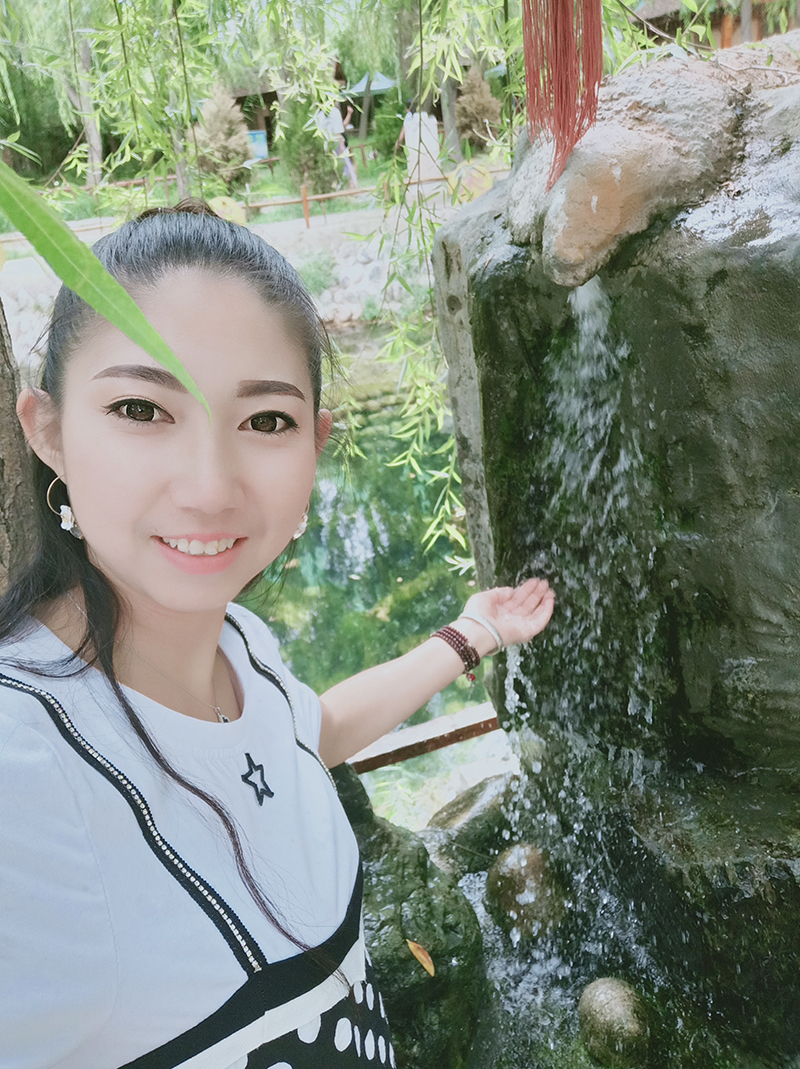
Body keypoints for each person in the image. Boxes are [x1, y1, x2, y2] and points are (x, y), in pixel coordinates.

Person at [0, 201, 554, 1068]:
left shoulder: (240, 645)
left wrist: (472, 631)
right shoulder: (25, 764)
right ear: (48, 431)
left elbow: (305, 736)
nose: (210, 487)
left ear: (316, 444)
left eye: (265, 421)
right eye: (142, 408)